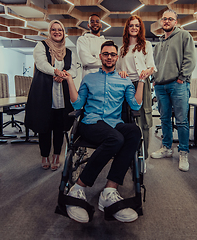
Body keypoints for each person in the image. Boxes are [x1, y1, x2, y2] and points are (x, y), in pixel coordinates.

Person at [61, 40, 145, 223]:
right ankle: (78, 187)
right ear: (100, 56)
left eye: (112, 54)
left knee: (133, 131)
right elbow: (77, 104)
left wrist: (142, 81)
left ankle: (109, 190)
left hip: (114, 123)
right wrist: (69, 80)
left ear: (117, 57)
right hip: (91, 123)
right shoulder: (89, 78)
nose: (109, 57)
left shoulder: (124, 80)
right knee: (115, 139)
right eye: (105, 54)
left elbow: (135, 104)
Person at [25, 20, 77, 171]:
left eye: (60, 30)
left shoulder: (69, 52)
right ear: (49, 31)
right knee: (44, 126)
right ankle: (44, 155)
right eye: (53, 30)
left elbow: (74, 70)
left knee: (60, 127)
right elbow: (41, 63)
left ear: (63, 32)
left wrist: (64, 75)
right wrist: (56, 71)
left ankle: (56, 155)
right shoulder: (41, 46)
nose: (57, 32)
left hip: (62, 94)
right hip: (44, 93)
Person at [150, 9, 196, 172]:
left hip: (178, 84)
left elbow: (190, 59)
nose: (167, 21)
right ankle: (166, 148)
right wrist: (154, 80)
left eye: (170, 19)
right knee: (164, 119)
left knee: (182, 121)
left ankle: (183, 152)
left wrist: (182, 77)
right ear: (161, 22)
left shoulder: (184, 36)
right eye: (164, 19)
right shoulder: (159, 43)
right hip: (161, 86)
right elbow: (154, 64)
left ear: (176, 22)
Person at [116, 15, 156, 160]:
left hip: (142, 84)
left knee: (143, 119)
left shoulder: (147, 45)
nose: (134, 28)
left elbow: (152, 66)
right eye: (131, 25)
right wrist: (121, 72)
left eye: (137, 25)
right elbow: (118, 69)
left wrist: (147, 71)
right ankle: (127, 156)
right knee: (126, 118)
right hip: (126, 86)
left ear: (140, 28)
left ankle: (142, 156)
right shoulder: (122, 49)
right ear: (127, 28)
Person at [76, 14, 108, 79]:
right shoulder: (82, 40)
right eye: (92, 22)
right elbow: (86, 61)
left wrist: (94, 57)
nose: (95, 23)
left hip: (104, 79)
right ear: (88, 25)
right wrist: (104, 61)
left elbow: (112, 61)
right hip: (88, 79)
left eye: (97, 21)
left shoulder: (106, 42)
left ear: (101, 25)